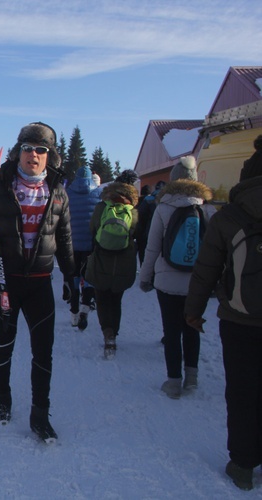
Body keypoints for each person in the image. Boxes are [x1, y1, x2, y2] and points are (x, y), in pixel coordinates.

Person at [0, 122, 75, 441]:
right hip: (6, 279)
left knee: (43, 350)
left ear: (50, 156)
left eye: (41, 150)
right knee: (4, 342)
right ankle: (2, 399)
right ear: (19, 151)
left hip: (40, 281)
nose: (34, 155)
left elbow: (65, 237)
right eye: (28, 148)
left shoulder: (57, 190)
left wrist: (73, 279)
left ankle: (39, 414)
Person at [185, 148, 262, 492]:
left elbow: (206, 270)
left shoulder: (229, 215)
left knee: (243, 392)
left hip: (240, 319)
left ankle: (243, 464)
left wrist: (194, 310)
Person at [139, 156, 215, 399]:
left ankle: (173, 382)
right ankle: (192, 377)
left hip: (167, 282)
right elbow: (215, 250)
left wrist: (146, 276)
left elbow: (152, 247)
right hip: (197, 282)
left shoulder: (163, 207)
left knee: (171, 332)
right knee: (192, 327)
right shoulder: (206, 208)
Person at [85, 169, 140, 355]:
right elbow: (135, 234)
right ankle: (113, 334)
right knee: (116, 300)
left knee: (101, 298)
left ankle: (106, 331)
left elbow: (92, 229)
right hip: (123, 261)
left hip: (102, 257)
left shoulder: (102, 206)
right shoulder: (133, 211)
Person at [64, 166, 101, 330]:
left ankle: (73, 314)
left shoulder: (68, 193)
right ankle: (85, 309)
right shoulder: (98, 193)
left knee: (74, 279)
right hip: (90, 245)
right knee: (88, 279)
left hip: (72, 244)